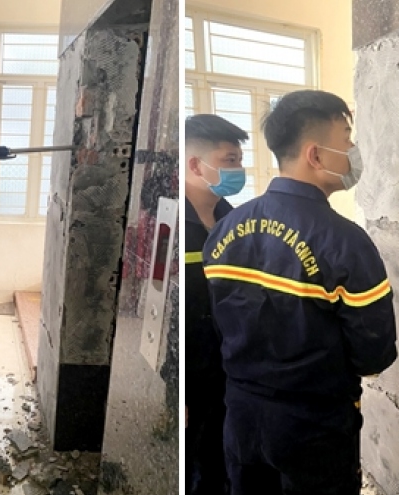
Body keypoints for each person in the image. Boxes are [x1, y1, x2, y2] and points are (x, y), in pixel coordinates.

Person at [202, 89, 398, 495]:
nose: (353, 150)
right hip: (313, 426)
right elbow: (373, 354)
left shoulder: (225, 229)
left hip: (241, 415)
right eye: (346, 139)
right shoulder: (345, 242)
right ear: (316, 155)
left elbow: (220, 324)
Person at [185, 114, 249, 495]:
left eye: (239, 160)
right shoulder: (172, 222)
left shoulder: (235, 221)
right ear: (196, 165)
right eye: (229, 161)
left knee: (222, 464)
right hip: (191, 377)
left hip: (230, 373)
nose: (238, 170)